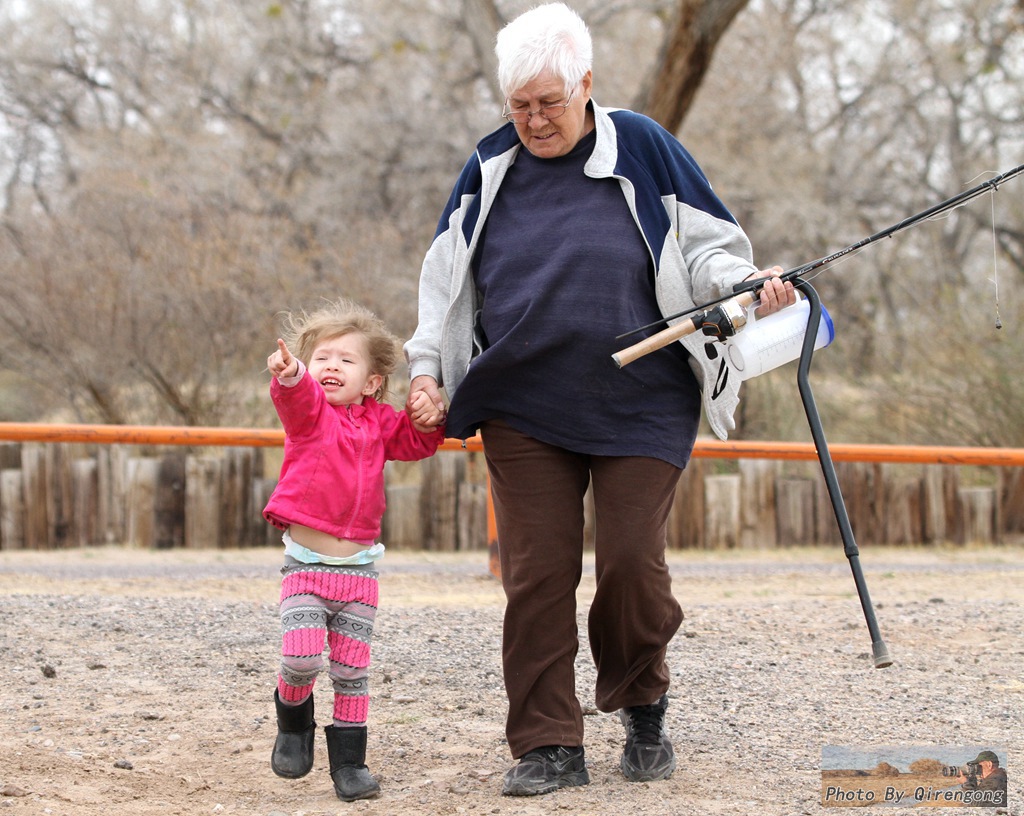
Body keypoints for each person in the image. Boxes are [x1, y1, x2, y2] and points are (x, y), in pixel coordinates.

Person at [404, 1, 795, 798]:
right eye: (519, 107)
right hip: (523, 400)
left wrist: (747, 287)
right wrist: (426, 371)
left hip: (644, 399)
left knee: (630, 564)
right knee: (537, 575)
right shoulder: (486, 169)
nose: (535, 120)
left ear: (586, 83)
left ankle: (643, 700)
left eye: (550, 102)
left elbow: (713, 247)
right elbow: (442, 286)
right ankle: (547, 742)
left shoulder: (646, 148)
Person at [263, 299, 445, 801]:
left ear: (370, 381)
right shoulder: (311, 416)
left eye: (346, 360)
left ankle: (350, 765)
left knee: (350, 671)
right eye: (322, 358)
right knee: (301, 660)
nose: (331, 367)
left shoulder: (381, 423)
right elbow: (297, 397)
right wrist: (291, 374)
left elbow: (415, 440)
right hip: (306, 569)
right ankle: (294, 722)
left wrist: (428, 416)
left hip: (359, 574)